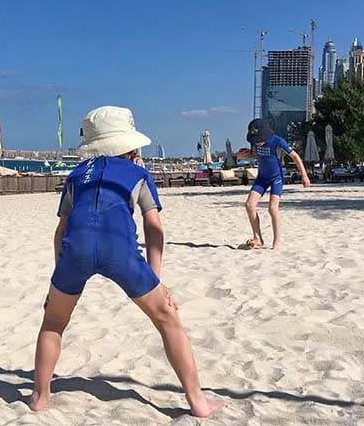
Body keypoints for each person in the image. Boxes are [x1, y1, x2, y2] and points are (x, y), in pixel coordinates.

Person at [29, 106, 226, 418]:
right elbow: (154, 228)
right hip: (118, 249)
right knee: (167, 319)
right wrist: (156, 278)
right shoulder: (138, 173)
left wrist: (57, 277)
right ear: (131, 147)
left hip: (74, 252)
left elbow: (60, 232)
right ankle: (197, 401)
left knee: (53, 322)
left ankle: (40, 396)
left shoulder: (76, 175)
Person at [243, 118, 310, 250]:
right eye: (256, 141)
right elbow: (255, 155)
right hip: (262, 177)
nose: (259, 142)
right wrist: (244, 155)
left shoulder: (277, 141)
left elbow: (295, 156)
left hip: (276, 178)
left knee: (272, 209)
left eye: (261, 139)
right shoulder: (255, 142)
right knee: (249, 205)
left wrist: (304, 175)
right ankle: (258, 238)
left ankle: (277, 241)